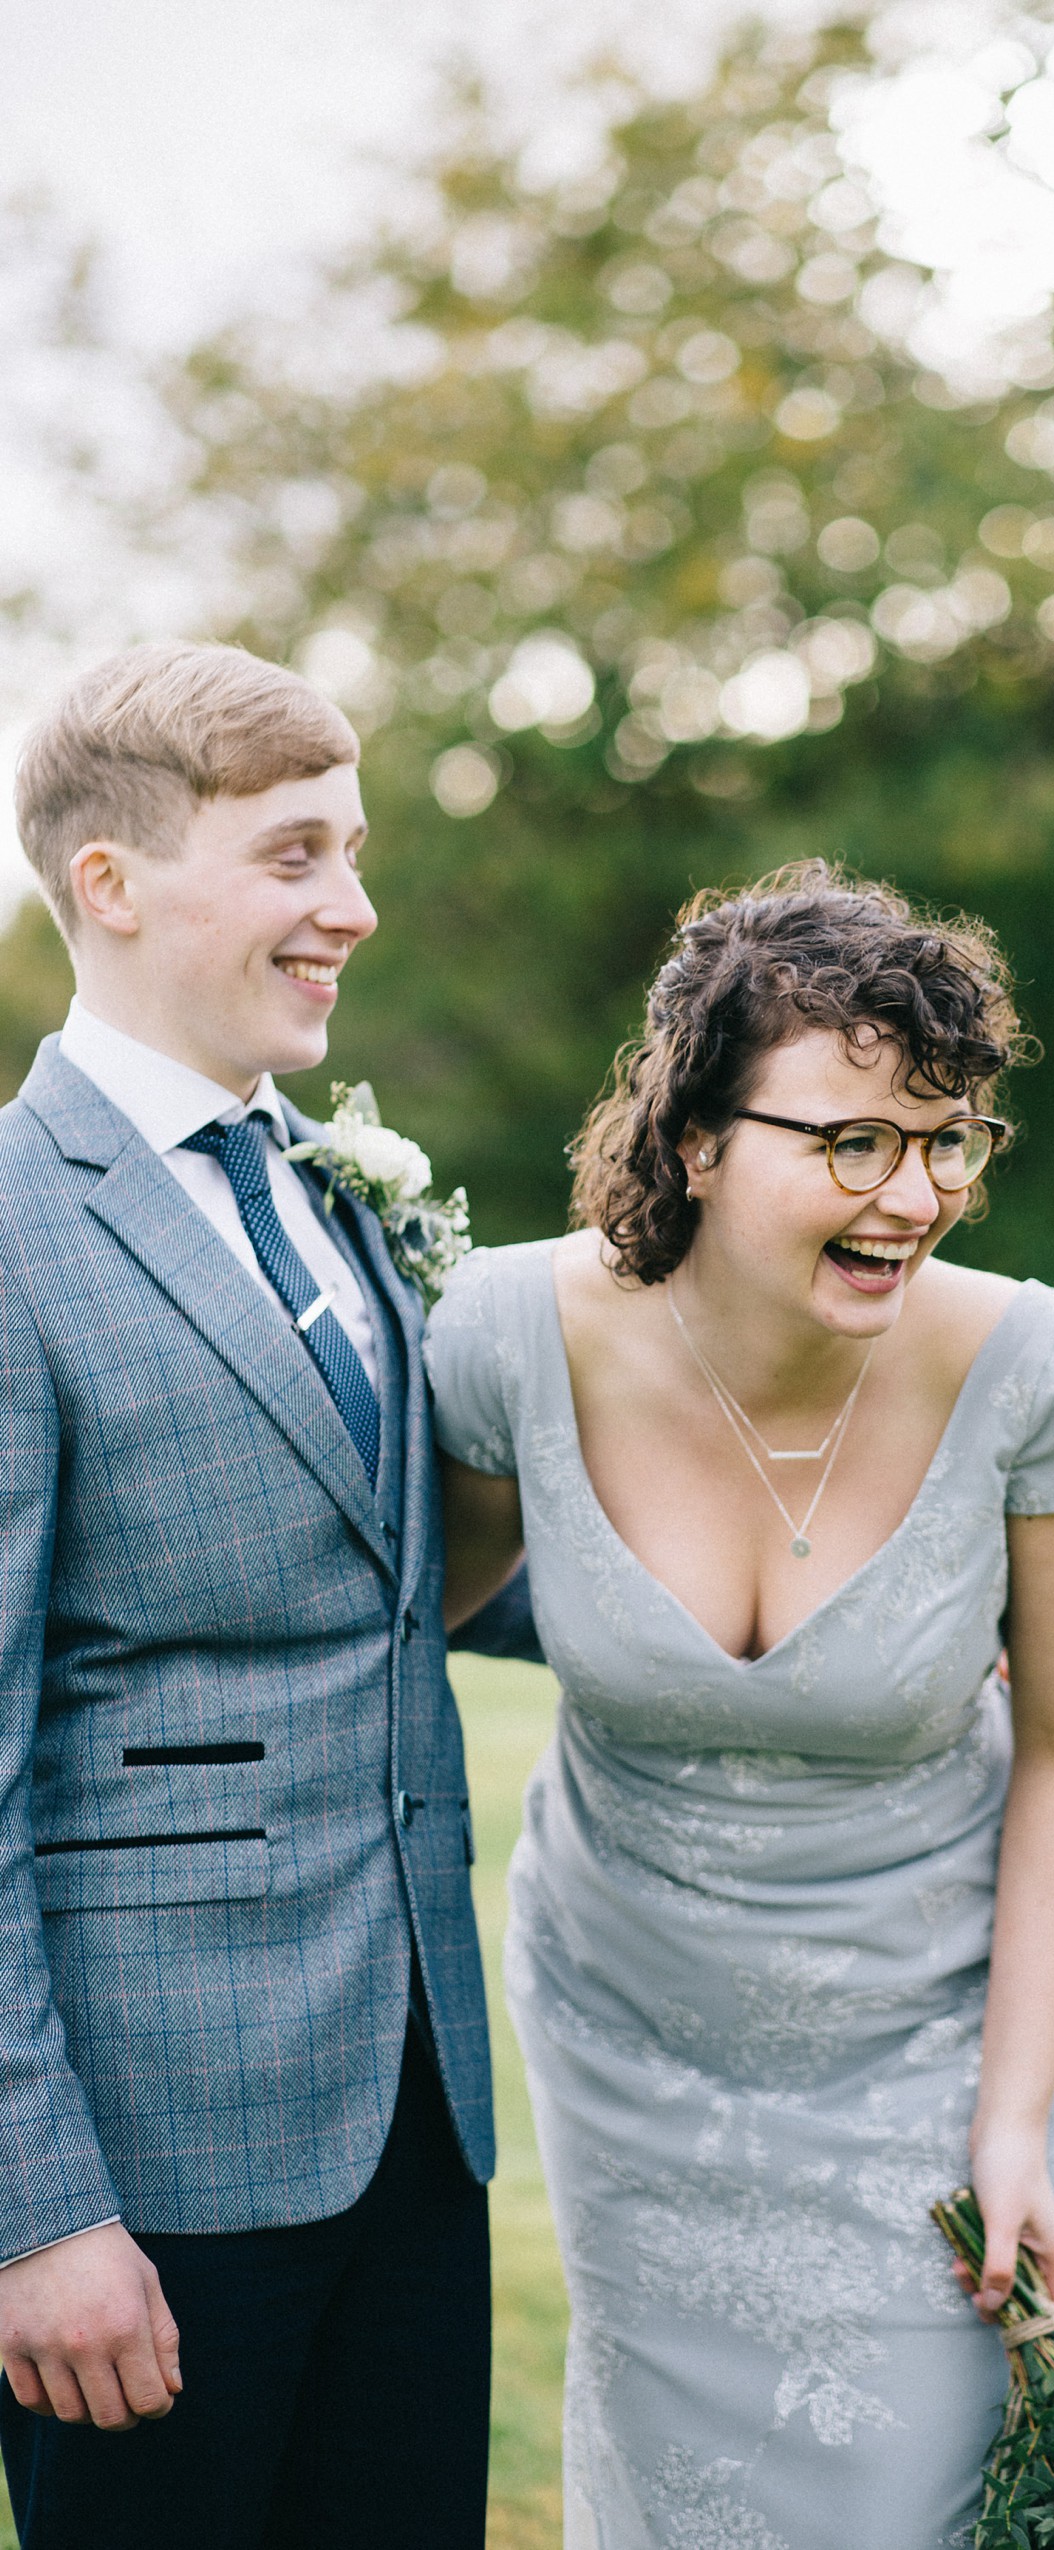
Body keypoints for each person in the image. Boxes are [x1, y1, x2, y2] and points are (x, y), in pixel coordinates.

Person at [428, 865, 1054, 2548]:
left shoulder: (1037, 1375)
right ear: (694, 1136)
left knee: (915, 2496)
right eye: (854, 1141)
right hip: (629, 2032)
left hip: (939, 2037)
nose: (911, 1194)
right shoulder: (507, 1339)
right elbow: (402, 1621)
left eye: (946, 1138)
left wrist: (1011, 2114)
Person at [0, 642, 498, 2549]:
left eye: (354, 852)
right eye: (297, 856)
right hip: (149, 2164)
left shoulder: (335, 1189)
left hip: (413, 2110)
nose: (353, 907)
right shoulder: (20, 1234)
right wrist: (36, 2208)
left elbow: (393, 1586)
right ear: (111, 884)